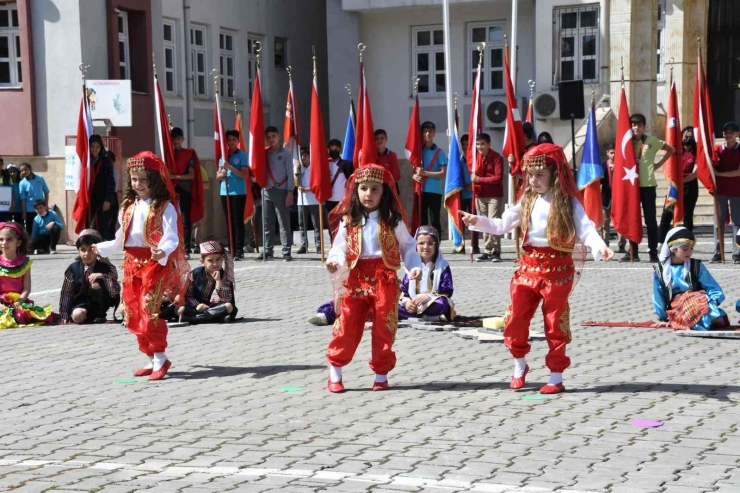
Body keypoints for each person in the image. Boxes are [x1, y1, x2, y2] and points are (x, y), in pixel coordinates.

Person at [461, 143, 614, 394]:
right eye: (529, 175)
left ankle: (556, 376)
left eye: (539, 174)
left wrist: (601, 247)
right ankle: (519, 364)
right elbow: (501, 225)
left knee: (555, 323)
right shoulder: (527, 199)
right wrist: (477, 221)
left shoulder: (568, 202)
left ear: (555, 173)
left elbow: (586, 229)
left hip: (557, 271)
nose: (532, 180)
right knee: (515, 320)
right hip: (528, 269)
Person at [325, 164, 423, 392]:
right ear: (356, 191)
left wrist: (414, 266)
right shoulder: (348, 221)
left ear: (384, 192)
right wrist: (335, 263)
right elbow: (339, 248)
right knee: (347, 325)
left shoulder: (392, 220)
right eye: (364, 189)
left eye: (375, 189)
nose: (369, 194)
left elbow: (408, 246)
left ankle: (381, 374)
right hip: (357, 278)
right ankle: (335, 372)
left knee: (384, 327)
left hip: (384, 279)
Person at [94, 151, 190, 381]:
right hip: (131, 264)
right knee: (132, 312)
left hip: (154, 262)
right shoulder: (127, 206)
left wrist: (163, 250)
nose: (138, 184)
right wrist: (103, 248)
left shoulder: (164, 207)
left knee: (149, 309)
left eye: (143, 180)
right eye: (135, 179)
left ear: (154, 181)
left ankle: (160, 358)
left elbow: (171, 236)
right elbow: (121, 237)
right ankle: (150, 357)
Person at [619, 113, 675, 263]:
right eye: (633, 125)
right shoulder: (626, 142)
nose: (636, 127)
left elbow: (671, 149)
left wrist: (658, 165)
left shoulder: (652, 141)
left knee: (650, 221)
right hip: (632, 187)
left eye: (639, 125)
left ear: (644, 127)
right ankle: (633, 252)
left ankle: (652, 253)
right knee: (633, 220)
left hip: (648, 186)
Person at [654, 227, 728, 330]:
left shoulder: (696, 265)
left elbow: (712, 286)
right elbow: (659, 295)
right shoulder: (660, 270)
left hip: (698, 301)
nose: (689, 252)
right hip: (677, 306)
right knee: (692, 304)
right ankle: (685, 320)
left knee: (700, 302)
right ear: (673, 249)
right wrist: (663, 318)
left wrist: (712, 302)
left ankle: (700, 318)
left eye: (691, 248)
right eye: (685, 249)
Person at [0, 222, 58, 328]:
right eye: (1, 239)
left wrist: (19, 302)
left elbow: (27, 289)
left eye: (9, 239)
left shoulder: (25, 263)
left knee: (22, 315)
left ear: (18, 243)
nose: (4, 243)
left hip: (19, 301)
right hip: (1, 301)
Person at [59, 229, 120, 324]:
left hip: (101, 303)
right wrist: (64, 314)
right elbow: (66, 292)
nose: (86, 254)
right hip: (80, 303)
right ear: (78, 251)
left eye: (90, 250)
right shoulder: (72, 268)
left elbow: (115, 291)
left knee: (95, 283)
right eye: (83, 250)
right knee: (77, 316)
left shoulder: (105, 266)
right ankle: (87, 315)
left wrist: (103, 276)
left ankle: (99, 314)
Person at [399, 226, 455, 321]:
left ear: (436, 245)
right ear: (415, 246)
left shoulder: (443, 265)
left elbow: (447, 290)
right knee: (392, 307)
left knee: (442, 304)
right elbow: (404, 290)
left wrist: (428, 297)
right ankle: (429, 317)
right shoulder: (411, 266)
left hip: (432, 302)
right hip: (414, 303)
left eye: (430, 243)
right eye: (421, 243)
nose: (425, 247)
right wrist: (407, 303)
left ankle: (418, 316)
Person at [178, 240, 238, 324]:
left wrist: (218, 281)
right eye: (210, 260)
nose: (215, 263)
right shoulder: (195, 273)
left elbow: (225, 299)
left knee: (228, 307)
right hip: (198, 307)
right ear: (202, 262)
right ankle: (215, 318)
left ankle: (195, 319)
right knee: (181, 309)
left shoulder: (226, 276)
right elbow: (188, 295)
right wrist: (197, 305)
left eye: (218, 259)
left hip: (216, 306)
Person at [658, 127, 699, 243]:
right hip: (674, 187)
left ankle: (687, 242)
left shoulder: (696, 153)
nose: (688, 139)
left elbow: (695, 173)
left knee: (687, 216)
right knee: (666, 214)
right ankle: (660, 241)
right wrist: (675, 182)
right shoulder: (676, 150)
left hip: (689, 188)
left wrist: (681, 181)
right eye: (686, 136)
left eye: (691, 137)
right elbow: (668, 167)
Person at [171, 127, 205, 258]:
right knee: (171, 219)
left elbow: (191, 175)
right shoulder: (169, 154)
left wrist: (174, 177)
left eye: (178, 138)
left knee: (186, 220)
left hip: (185, 190)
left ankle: (187, 249)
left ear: (182, 139)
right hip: (172, 190)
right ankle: (174, 248)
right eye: (174, 139)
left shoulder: (189, 154)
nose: (176, 141)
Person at [471, 133, 504, 263]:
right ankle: (487, 250)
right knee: (483, 222)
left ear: (489, 144)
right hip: (480, 195)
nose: (480, 147)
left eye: (482, 144)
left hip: (494, 195)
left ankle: (496, 251)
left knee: (493, 222)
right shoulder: (475, 158)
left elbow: (498, 177)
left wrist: (479, 179)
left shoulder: (496, 158)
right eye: (478, 144)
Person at [263, 126, 294, 261]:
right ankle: (268, 250)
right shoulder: (264, 153)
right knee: (267, 222)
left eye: (273, 136)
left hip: (281, 190)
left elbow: (290, 174)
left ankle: (286, 251)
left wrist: (290, 192)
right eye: (268, 137)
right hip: (266, 191)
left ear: (278, 136)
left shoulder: (285, 153)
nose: (271, 139)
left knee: (283, 222)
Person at [217, 129, 249, 260]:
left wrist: (229, 167)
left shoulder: (242, 155)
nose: (231, 142)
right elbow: (217, 176)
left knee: (237, 221)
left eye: (234, 140)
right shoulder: (223, 156)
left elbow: (243, 174)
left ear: (238, 141)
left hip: (238, 192)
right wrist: (221, 174)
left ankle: (239, 249)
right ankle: (231, 249)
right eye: (229, 140)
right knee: (228, 221)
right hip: (225, 192)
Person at [711, 121, 740, 264]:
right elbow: (710, 166)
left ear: (737, 134)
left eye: (732, 132)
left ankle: (737, 254)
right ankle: (718, 252)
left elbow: (738, 172)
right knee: (718, 223)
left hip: (737, 191)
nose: (729, 134)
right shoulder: (716, 149)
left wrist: (719, 174)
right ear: (722, 134)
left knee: (738, 224)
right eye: (726, 132)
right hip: (720, 191)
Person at [415, 121, 447, 235]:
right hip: (421, 190)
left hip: (434, 191)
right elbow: (414, 172)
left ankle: (436, 244)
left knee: (434, 220)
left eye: (430, 131)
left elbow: (443, 174)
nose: (427, 134)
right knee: (422, 220)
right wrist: (415, 176)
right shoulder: (418, 152)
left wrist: (425, 173)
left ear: (434, 134)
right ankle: (422, 242)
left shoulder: (439, 152)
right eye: (425, 131)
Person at [88, 135, 119, 240]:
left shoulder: (106, 161)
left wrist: (108, 200)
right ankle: (87, 251)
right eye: (92, 146)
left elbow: (111, 182)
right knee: (88, 225)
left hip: (102, 199)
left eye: (97, 146)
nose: (95, 149)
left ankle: (102, 253)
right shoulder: (86, 161)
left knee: (102, 227)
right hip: (89, 199)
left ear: (101, 147)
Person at [296, 147, 324, 254]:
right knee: (302, 224)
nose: (304, 158)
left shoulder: (314, 168)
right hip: (301, 200)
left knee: (316, 224)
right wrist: (297, 171)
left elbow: (317, 184)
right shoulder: (300, 169)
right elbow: (297, 184)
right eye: (302, 156)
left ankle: (319, 246)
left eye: (306, 156)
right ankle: (304, 245)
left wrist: (307, 189)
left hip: (313, 200)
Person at [458, 134, 478, 255]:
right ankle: (461, 245)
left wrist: (473, 186)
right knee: (461, 222)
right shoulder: (458, 160)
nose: (465, 147)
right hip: (461, 194)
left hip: (473, 195)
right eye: (463, 144)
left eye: (467, 144)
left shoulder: (475, 160)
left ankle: (475, 245)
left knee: (473, 220)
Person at [18, 163, 49, 235]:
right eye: (21, 171)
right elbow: (23, 199)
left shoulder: (40, 178)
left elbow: (46, 192)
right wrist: (24, 212)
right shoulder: (22, 183)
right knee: (30, 228)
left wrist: (46, 205)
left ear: (30, 169)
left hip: (41, 208)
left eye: (25, 169)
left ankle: (42, 244)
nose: (23, 172)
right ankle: (31, 245)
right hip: (29, 209)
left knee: (42, 227)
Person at [326, 139, 354, 215]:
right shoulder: (325, 164)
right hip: (329, 199)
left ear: (340, 149)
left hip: (343, 199)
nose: (333, 151)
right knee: (331, 224)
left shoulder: (347, 164)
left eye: (336, 149)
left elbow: (352, 181)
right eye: (331, 149)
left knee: (343, 224)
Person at [192, 164, 210, 253]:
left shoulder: (200, 168)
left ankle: (197, 244)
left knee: (198, 222)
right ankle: (185, 245)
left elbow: (206, 185)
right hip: (182, 199)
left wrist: (195, 186)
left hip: (197, 199)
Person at [601, 143, 615, 247]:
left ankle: (622, 244)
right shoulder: (603, 166)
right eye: (611, 153)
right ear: (607, 153)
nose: (613, 155)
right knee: (605, 221)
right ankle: (605, 242)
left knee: (619, 221)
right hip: (606, 197)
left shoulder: (621, 165)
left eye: (615, 153)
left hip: (618, 198)